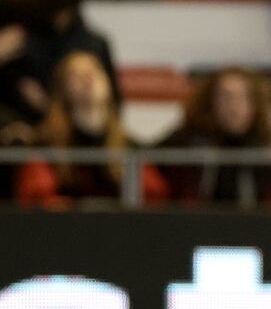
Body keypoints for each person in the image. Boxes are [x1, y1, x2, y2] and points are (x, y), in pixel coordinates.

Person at [15, 51, 166, 207]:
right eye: (75, 74)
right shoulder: (45, 145)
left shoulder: (128, 146)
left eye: (95, 70)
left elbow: (154, 197)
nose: (88, 77)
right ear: (62, 89)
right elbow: (36, 198)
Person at [158, 67, 271, 208]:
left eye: (243, 97)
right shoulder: (186, 141)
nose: (235, 106)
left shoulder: (265, 148)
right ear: (209, 102)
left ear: (256, 104)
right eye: (226, 97)